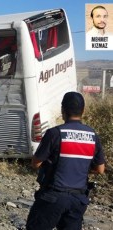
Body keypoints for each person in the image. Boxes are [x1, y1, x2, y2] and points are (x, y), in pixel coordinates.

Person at [26, 92, 106, 230]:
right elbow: (100, 170)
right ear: (83, 111)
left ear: (63, 110)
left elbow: (36, 163)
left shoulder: (55, 133)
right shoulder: (93, 136)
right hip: (78, 200)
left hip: (53, 197)